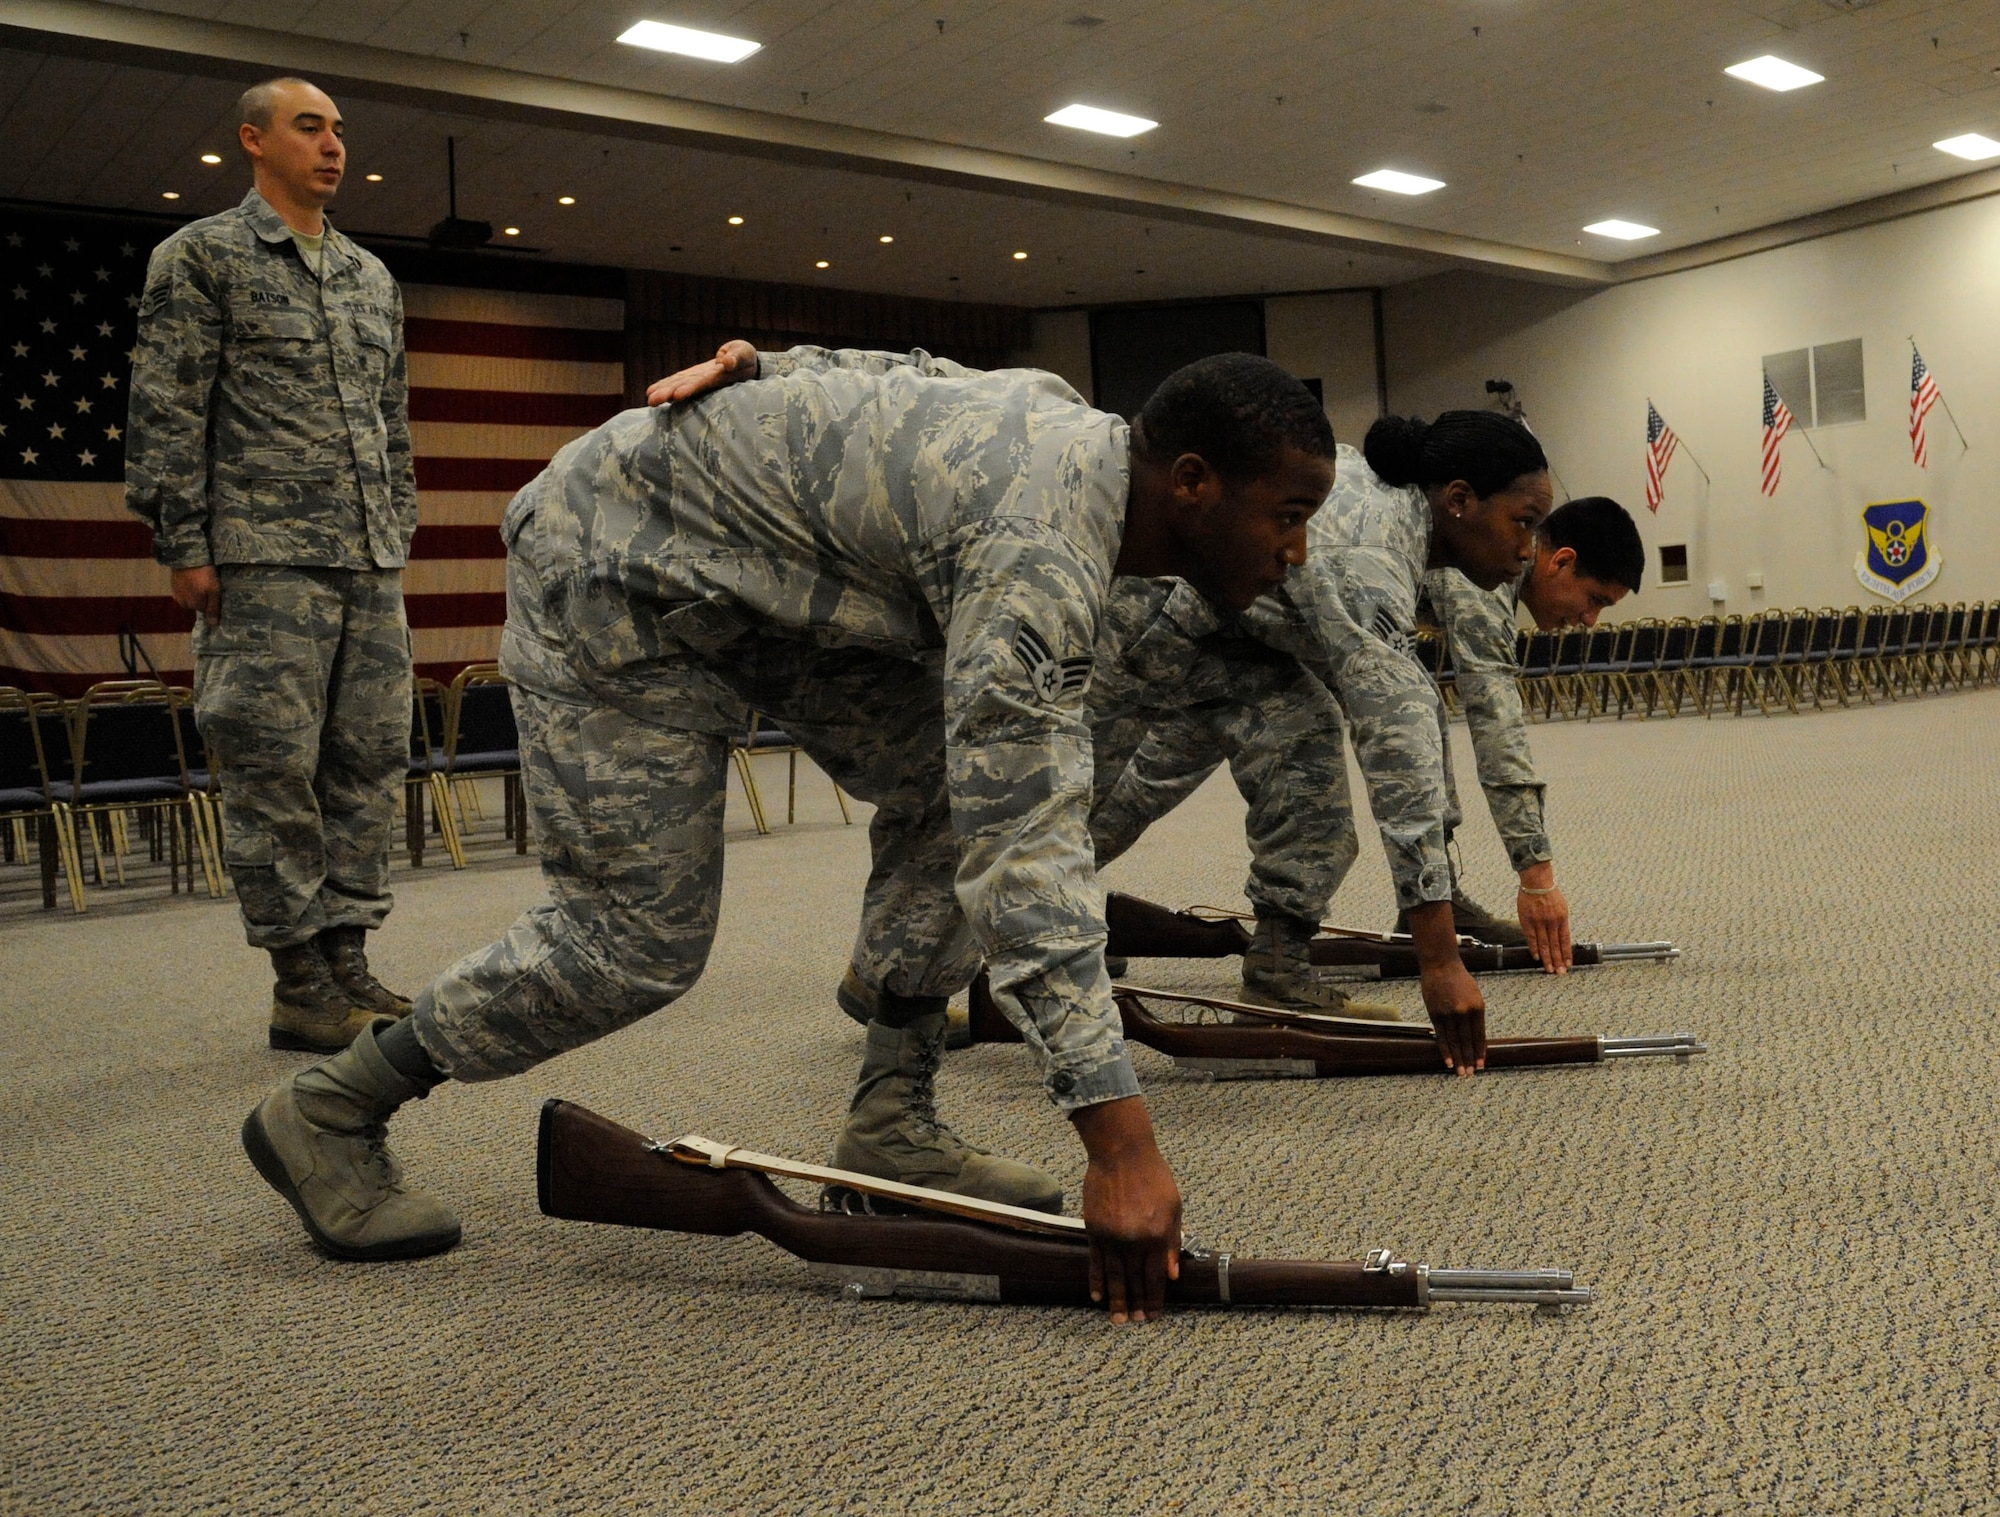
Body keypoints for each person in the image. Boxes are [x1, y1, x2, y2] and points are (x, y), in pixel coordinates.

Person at [242, 343, 1336, 1324]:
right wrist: (1120, 1143)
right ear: (1189, 482)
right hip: (612, 568)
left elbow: (906, 371)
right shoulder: (1039, 544)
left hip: (757, 590)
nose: (1294, 550)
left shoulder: (1073, 429)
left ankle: (888, 1115)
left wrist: (768, 361)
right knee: (635, 938)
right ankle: (334, 1104)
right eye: (1286, 514)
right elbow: (1027, 854)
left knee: (958, 793)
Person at [1087, 412, 1554, 1064]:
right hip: (1149, 607)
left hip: (1236, 626)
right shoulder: (1369, 560)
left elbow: (1411, 716)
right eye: (1523, 521)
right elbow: (1399, 750)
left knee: (1304, 761)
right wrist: (1440, 962)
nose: (1529, 548)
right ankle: (978, 933)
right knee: (1076, 793)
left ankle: (1277, 964)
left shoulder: (1405, 527)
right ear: (1458, 500)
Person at [125, 77, 417, 1053]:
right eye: (309, 127)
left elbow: (391, 422)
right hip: (260, 556)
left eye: (338, 130)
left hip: (366, 559)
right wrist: (184, 540)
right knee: (270, 766)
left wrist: (399, 528)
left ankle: (346, 956)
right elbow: (168, 403)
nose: (332, 145)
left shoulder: (370, 277)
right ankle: (298, 977)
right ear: (254, 141)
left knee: (368, 761)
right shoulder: (201, 255)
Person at [1400, 495, 1646, 964]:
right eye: (1594, 600)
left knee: (1418, 713)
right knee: (1407, 722)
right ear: (1561, 561)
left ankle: (1433, 897)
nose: (1590, 621)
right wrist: (1538, 878)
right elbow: (1496, 724)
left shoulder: (1502, 559)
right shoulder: (1488, 572)